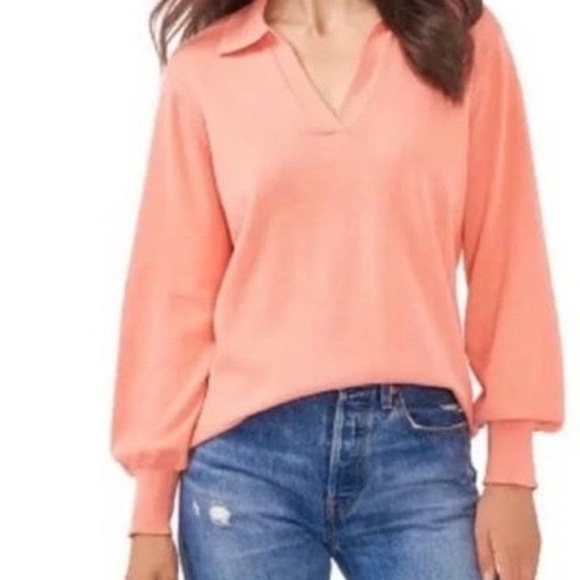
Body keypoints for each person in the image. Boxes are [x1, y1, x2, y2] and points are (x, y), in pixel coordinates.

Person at [109, 0, 565, 578]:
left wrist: (513, 470)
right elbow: (173, 295)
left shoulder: (462, 37)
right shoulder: (205, 70)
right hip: (244, 463)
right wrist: (150, 515)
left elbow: (508, 249)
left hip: (417, 452)